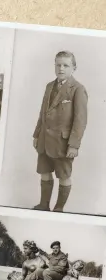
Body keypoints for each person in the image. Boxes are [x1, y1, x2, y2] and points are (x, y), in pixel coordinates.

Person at [33, 51, 88, 212]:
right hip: (44, 139)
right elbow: (43, 112)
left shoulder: (78, 89)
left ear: (74, 68)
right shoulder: (49, 86)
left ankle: (59, 208)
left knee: (63, 175)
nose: (61, 68)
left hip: (63, 143)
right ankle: (44, 205)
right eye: (58, 65)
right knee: (44, 172)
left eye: (66, 65)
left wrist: (74, 145)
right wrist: (37, 134)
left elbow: (80, 120)